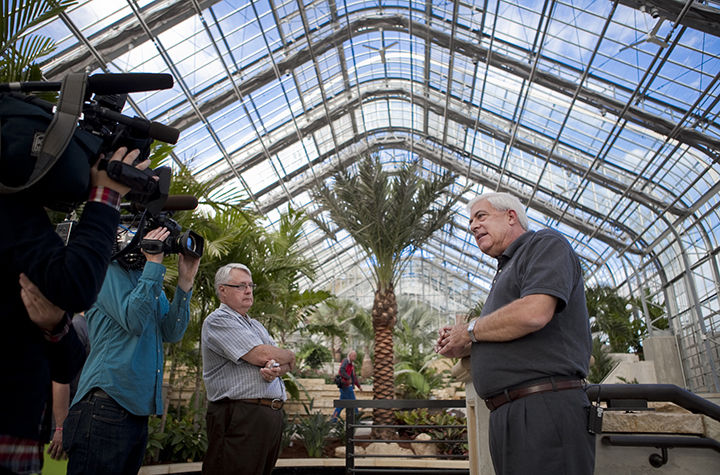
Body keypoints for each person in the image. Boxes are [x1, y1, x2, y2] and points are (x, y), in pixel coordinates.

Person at [0, 147, 146, 475]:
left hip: (20, 435)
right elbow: (81, 290)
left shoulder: (24, 235)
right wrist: (105, 197)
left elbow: (66, 366)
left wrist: (54, 327)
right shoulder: (13, 216)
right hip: (95, 407)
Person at [436, 192, 595, 475]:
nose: (472, 226)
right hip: (510, 414)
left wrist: (470, 331)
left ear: (511, 216)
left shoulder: (544, 244)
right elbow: (504, 331)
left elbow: (534, 312)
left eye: (481, 216)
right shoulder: (506, 269)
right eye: (471, 221)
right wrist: (462, 344)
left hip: (543, 409)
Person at [63, 226, 200, 475]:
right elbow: (134, 320)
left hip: (134, 410)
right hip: (105, 404)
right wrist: (154, 264)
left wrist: (185, 283)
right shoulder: (105, 273)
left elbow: (171, 332)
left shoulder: (145, 277)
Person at [201, 263, 296, 475]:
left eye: (250, 285)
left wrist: (277, 369)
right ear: (222, 290)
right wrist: (289, 355)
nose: (248, 290)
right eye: (240, 286)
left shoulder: (256, 326)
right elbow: (262, 355)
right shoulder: (218, 320)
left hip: (265, 416)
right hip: (239, 415)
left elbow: (282, 364)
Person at [331, 350, 362, 421]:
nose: (355, 357)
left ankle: (333, 419)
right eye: (354, 355)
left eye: (355, 356)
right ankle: (357, 420)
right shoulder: (345, 361)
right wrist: (348, 378)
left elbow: (354, 376)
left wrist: (359, 386)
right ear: (350, 355)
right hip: (346, 387)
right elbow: (341, 370)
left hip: (346, 387)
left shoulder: (351, 364)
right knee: (354, 403)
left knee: (340, 405)